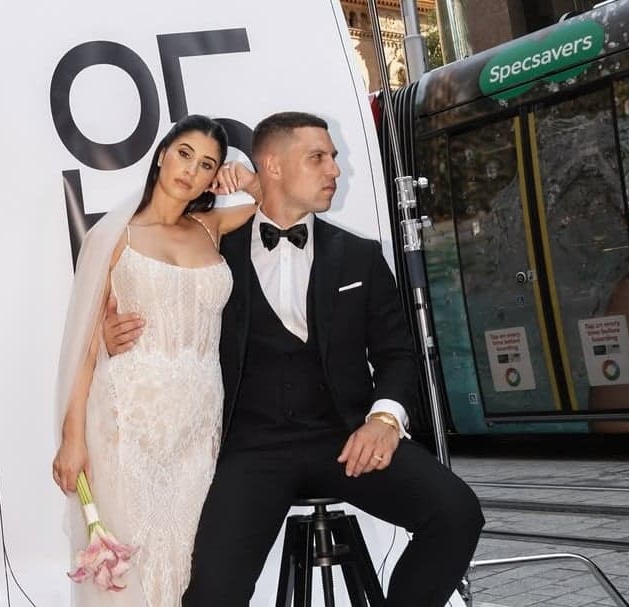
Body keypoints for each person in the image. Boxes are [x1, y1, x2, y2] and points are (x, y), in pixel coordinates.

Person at [104, 112, 484, 606]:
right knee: (211, 596)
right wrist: (118, 337)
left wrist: (385, 420)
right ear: (273, 166)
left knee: (457, 513)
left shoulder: (360, 256)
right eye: (318, 158)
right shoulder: (213, 250)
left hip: (345, 439)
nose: (334, 171)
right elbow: (167, 306)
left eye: (334, 158)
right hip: (251, 450)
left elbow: (397, 354)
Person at [52, 114, 257, 606]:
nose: (191, 170)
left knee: (193, 560)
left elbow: (276, 202)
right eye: (184, 153)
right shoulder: (114, 234)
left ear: (214, 177)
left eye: (207, 164)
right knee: (137, 563)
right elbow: (83, 347)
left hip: (198, 424)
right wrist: (72, 439)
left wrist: (246, 175)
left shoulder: (212, 226)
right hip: (131, 421)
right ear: (162, 153)